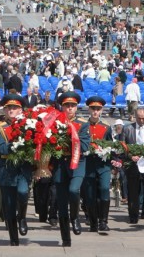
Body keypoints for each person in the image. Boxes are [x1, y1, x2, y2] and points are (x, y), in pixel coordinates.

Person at [51, 91, 90, 247]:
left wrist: (67, 141)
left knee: (74, 191)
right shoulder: (55, 122)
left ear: (76, 107)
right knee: (61, 205)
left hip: (77, 164)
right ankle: (66, 238)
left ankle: (75, 217)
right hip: (61, 164)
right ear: (62, 106)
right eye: (67, 105)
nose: (69, 108)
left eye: (72, 105)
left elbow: (85, 145)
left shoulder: (82, 123)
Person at [0, 94, 32, 246]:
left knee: (23, 192)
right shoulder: (0, 128)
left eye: (15, 108)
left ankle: (22, 216)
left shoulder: (28, 124)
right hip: (6, 168)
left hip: (22, 167)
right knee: (8, 206)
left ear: (20, 110)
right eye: (9, 107)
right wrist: (16, 145)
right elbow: (2, 148)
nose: (11, 110)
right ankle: (13, 238)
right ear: (4, 109)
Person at [83, 96, 117, 232]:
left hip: (103, 165)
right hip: (88, 165)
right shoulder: (83, 127)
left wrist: (114, 163)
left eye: (98, 109)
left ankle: (103, 221)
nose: (95, 111)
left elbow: (111, 145)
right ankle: (92, 222)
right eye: (93, 109)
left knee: (104, 190)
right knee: (90, 194)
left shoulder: (106, 127)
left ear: (101, 110)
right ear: (89, 110)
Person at [122, 108, 144, 226]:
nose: (142, 121)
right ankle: (133, 215)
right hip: (132, 163)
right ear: (134, 117)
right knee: (133, 189)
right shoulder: (127, 129)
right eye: (139, 118)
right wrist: (130, 156)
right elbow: (122, 146)